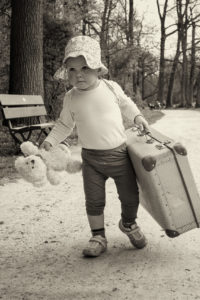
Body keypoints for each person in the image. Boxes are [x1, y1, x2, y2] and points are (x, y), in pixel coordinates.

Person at [41, 35, 149, 257]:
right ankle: (98, 235)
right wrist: (51, 140)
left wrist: (137, 117)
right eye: (72, 69)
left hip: (120, 156)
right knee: (94, 200)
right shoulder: (71, 98)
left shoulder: (110, 87)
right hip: (92, 160)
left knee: (130, 196)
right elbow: (64, 124)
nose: (78, 74)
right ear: (66, 72)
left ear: (97, 69)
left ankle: (128, 223)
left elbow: (127, 104)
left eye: (85, 67)